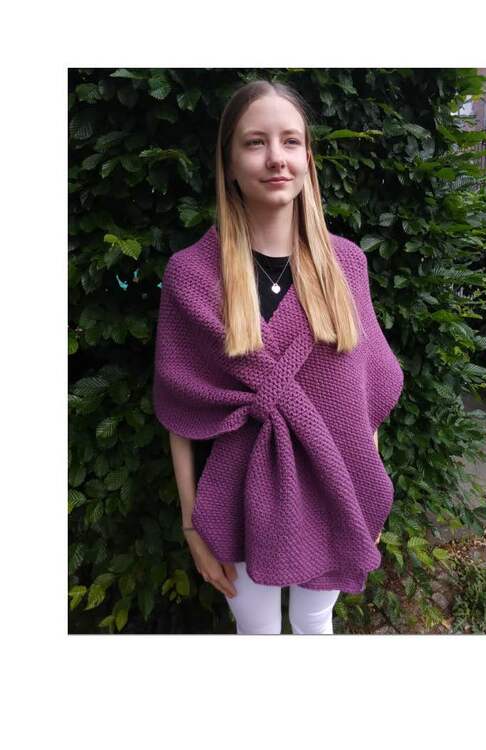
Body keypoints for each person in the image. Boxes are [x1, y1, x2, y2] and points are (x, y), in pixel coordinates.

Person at [154, 79, 403, 634]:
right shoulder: (193, 276)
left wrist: (367, 493)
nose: (276, 158)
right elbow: (180, 411)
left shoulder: (345, 267)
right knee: (258, 633)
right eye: (255, 142)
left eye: (291, 141)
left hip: (337, 488)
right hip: (238, 502)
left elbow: (366, 400)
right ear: (229, 162)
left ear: (307, 159)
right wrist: (193, 527)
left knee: (316, 625)